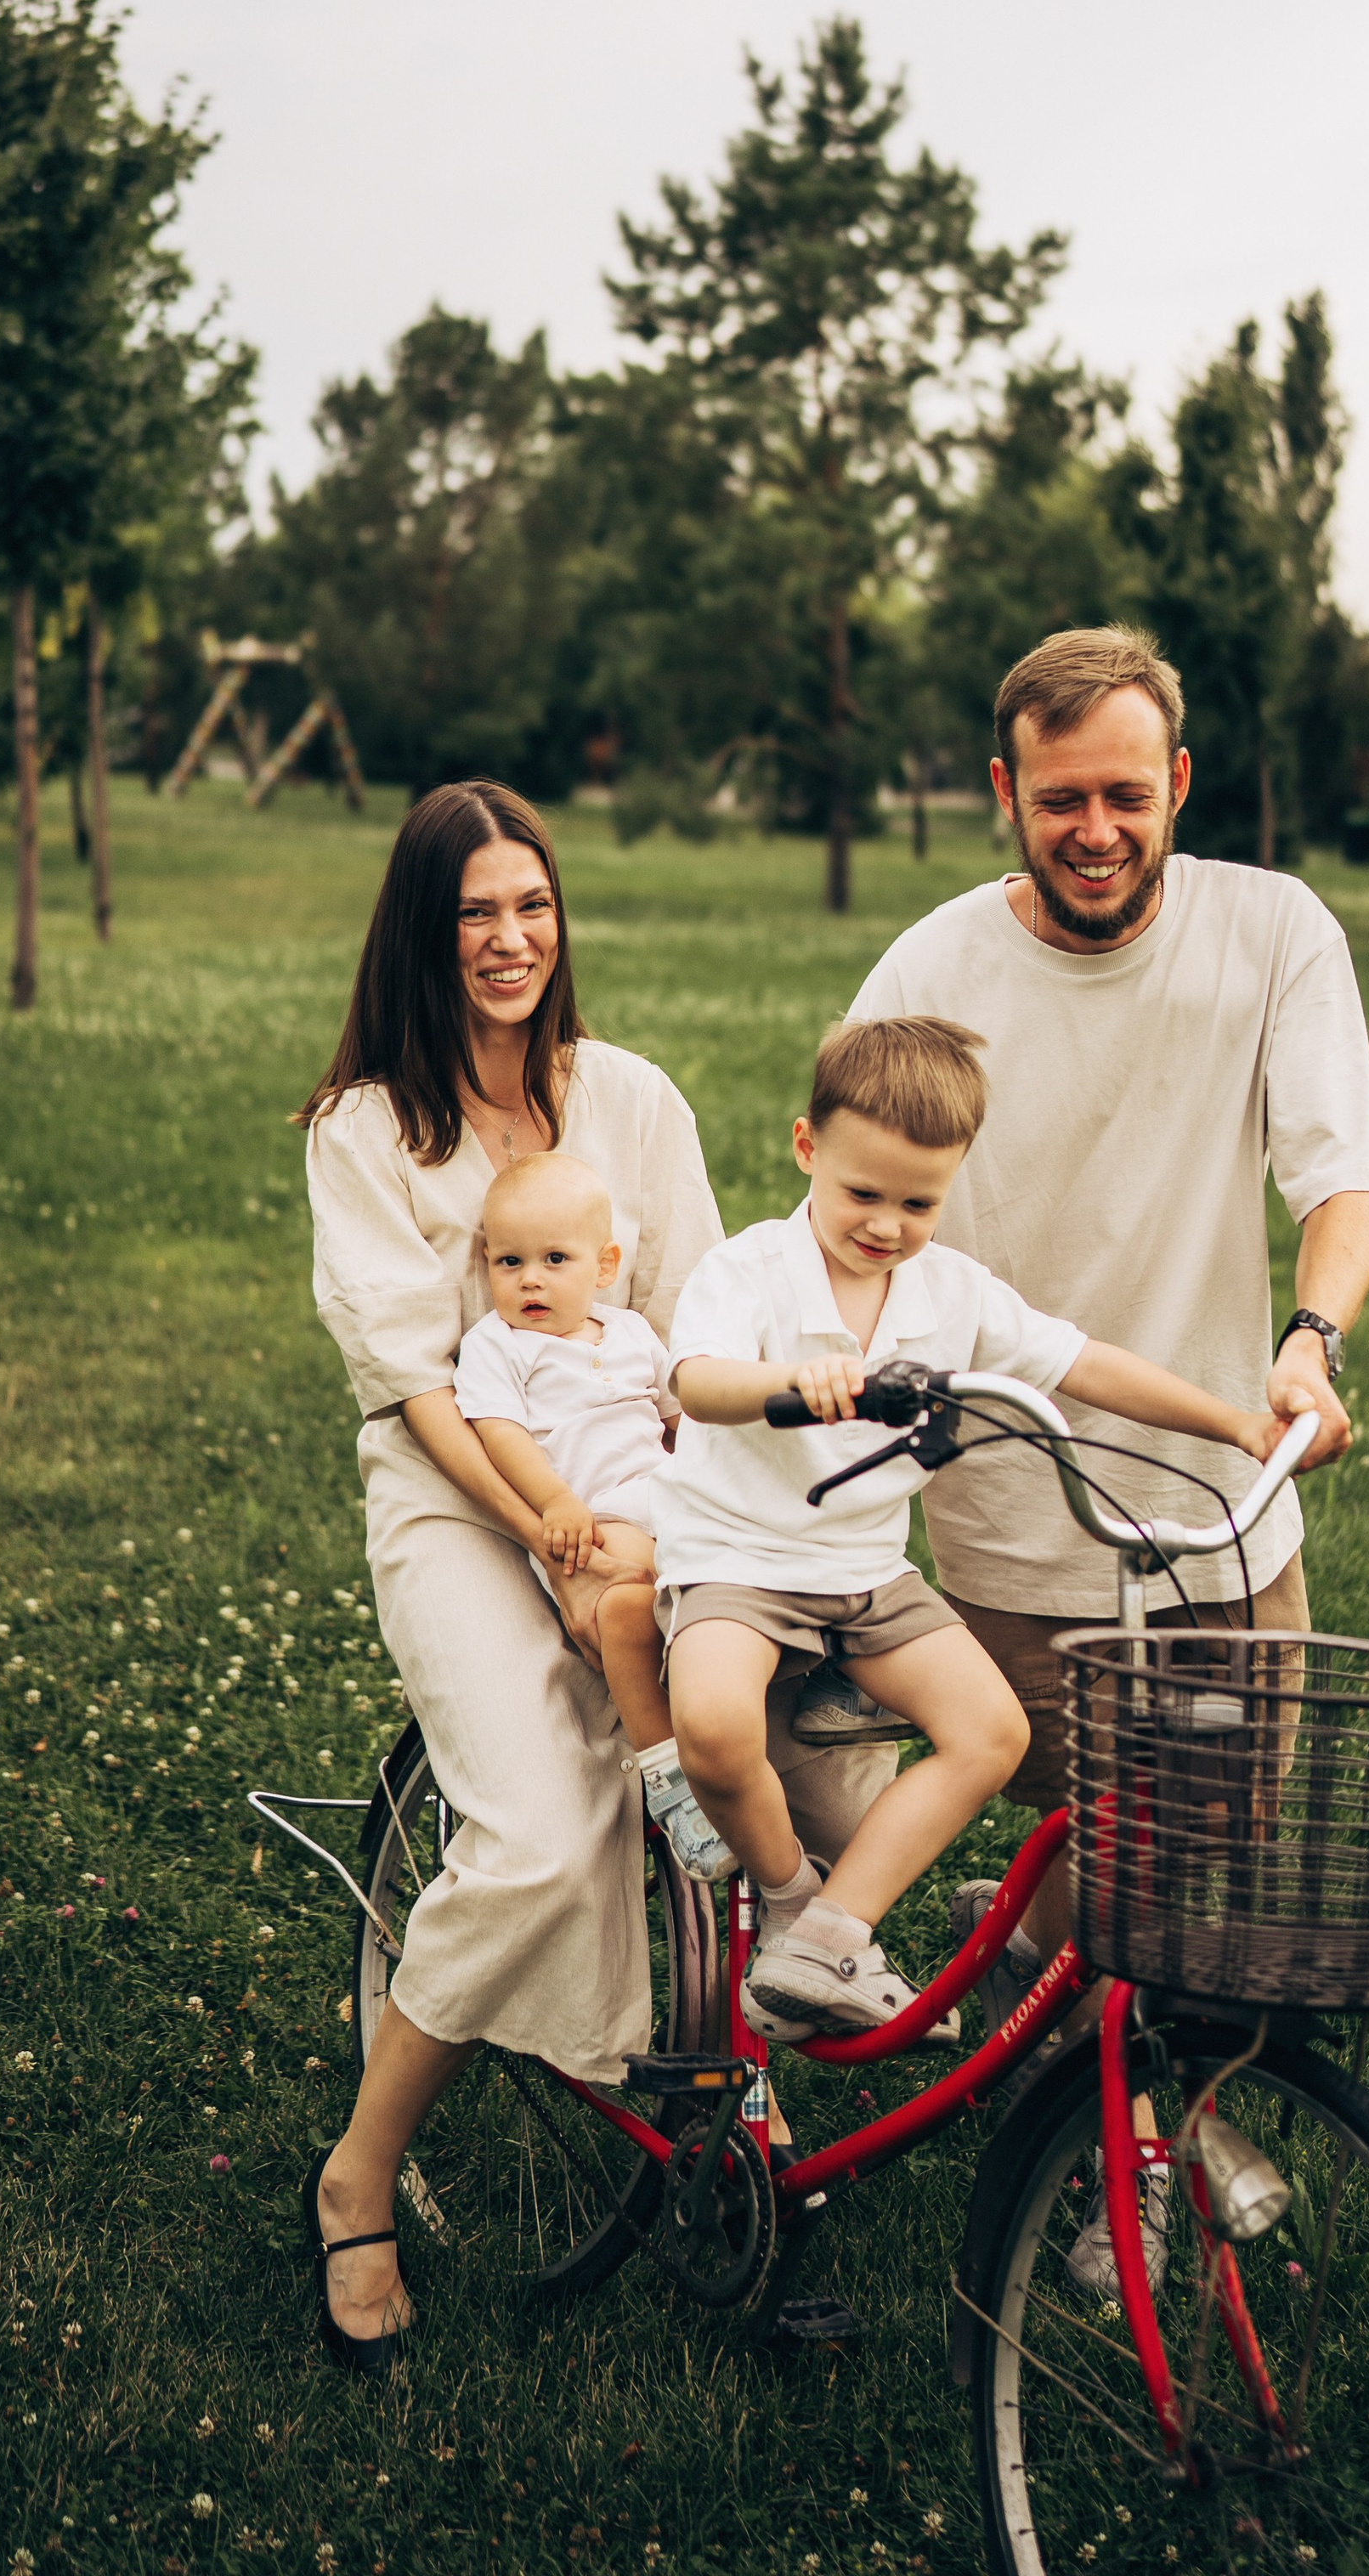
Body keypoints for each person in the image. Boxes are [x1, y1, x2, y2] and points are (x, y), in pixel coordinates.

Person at [297, 778, 891, 2367]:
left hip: (650, 1484)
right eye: (475, 911)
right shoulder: (364, 1132)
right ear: (425, 932)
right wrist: (553, 1538)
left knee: (763, 1743)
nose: (509, 938)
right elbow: (418, 1392)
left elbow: (704, 1333)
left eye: (532, 904)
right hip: (458, 1494)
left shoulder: (631, 1099)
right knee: (551, 1836)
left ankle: (741, 2123)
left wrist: (668, 1535)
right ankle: (358, 2174)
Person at [846, 624, 1369, 2289]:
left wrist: (1315, 1337)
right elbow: (844, 1209)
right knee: (1066, 1822)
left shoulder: (1271, 931)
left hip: (1224, 1502)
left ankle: (1118, 2090)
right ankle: (1104, 2133)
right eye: (1059, 796)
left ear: (1178, 788)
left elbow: (1334, 1172)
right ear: (1004, 793)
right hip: (1012, 1493)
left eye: (1125, 795)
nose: (1095, 829)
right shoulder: (931, 968)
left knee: (1203, 1827)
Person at [657, 1014, 1289, 2042]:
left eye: (920, 1201)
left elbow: (1082, 1362)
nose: (887, 1224)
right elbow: (699, 1382)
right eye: (862, 1193)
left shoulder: (951, 1292)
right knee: (717, 1727)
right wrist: (794, 1385)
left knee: (994, 1732)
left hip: (864, 1572)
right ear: (806, 1148)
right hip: (739, 1555)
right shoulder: (751, 1270)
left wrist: (1233, 1420)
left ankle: (835, 1934)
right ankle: (788, 1902)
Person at [453, 1149, 733, 1881]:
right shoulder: (499, 1346)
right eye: (509, 1262)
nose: (530, 1279)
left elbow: (680, 1420)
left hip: (667, 1497)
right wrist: (555, 1502)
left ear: (604, 1265)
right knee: (628, 1603)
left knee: (751, 1570)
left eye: (554, 1258)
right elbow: (500, 1433)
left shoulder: (633, 1334)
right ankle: (672, 1777)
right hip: (592, 1512)